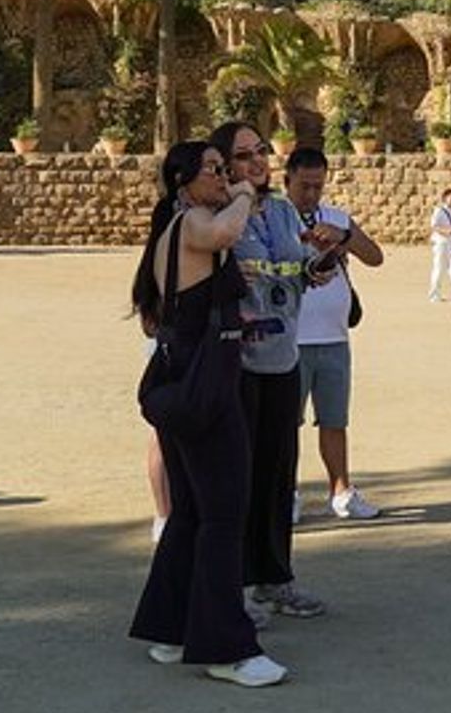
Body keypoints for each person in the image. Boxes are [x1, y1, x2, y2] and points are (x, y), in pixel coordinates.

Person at [128, 141, 287, 688]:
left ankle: (170, 627)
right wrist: (244, 195)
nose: (225, 177)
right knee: (224, 514)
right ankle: (226, 648)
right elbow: (225, 234)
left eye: (228, 169)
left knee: (194, 511)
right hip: (204, 388)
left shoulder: (180, 223)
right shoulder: (196, 221)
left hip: (188, 381)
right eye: (214, 171)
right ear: (184, 182)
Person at [208, 122, 340, 625]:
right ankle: (235, 584)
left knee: (276, 472)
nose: (257, 162)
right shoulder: (217, 213)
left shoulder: (284, 210)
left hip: (284, 356)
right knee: (237, 475)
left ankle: (274, 577)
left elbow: (295, 264)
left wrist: (316, 265)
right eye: (243, 155)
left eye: (260, 151)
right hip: (236, 362)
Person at [284, 147, 385, 522]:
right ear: (287, 180)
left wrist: (343, 238)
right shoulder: (276, 218)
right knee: (284, 426)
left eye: (317, 186)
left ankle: (341, 490)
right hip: (289, 340)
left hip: (334, 338)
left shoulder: (337, 218)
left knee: (334, 420)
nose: (311, 194)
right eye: (303, 186)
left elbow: (375, 256)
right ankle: (286, 493)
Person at [429, 189, 451, 302]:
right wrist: (446, 231)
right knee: (439, 267)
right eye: (450, 197)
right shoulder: (439, 210)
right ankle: (434, 294)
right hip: (441, 242)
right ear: (445, 198)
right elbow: (434, 226)